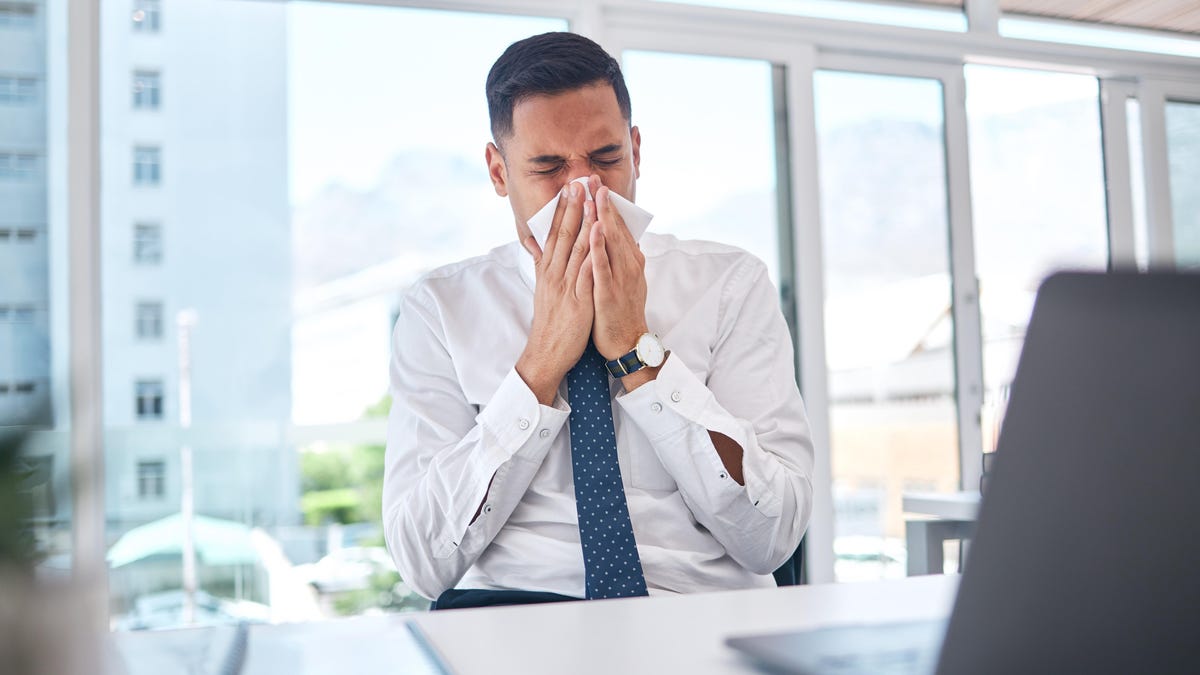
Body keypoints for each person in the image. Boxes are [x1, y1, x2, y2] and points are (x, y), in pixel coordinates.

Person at [383, 31, 814, 610]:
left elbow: (774, 536)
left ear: (636, 150)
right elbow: (420, 562)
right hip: (514, 618)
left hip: (701, 610)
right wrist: (539, 367)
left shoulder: (731, 285)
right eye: (548, 167)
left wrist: (639, 354)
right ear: (498, 171)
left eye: (607, 158)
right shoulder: (439, 310)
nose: (584, 189)